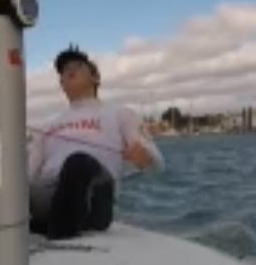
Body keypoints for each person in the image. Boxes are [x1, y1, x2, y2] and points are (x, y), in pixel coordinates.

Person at [27, 45, 164, 239]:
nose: (69, 70)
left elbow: (158, 165)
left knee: (78, 162)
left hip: (95, 198)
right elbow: (28, 174)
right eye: (64, 70)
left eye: (77, 66)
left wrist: (144, 157)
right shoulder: (46, 126)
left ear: (95, 77)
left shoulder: (121, 114)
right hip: (49, 195)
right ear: (62, 84)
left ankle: (54, 231)